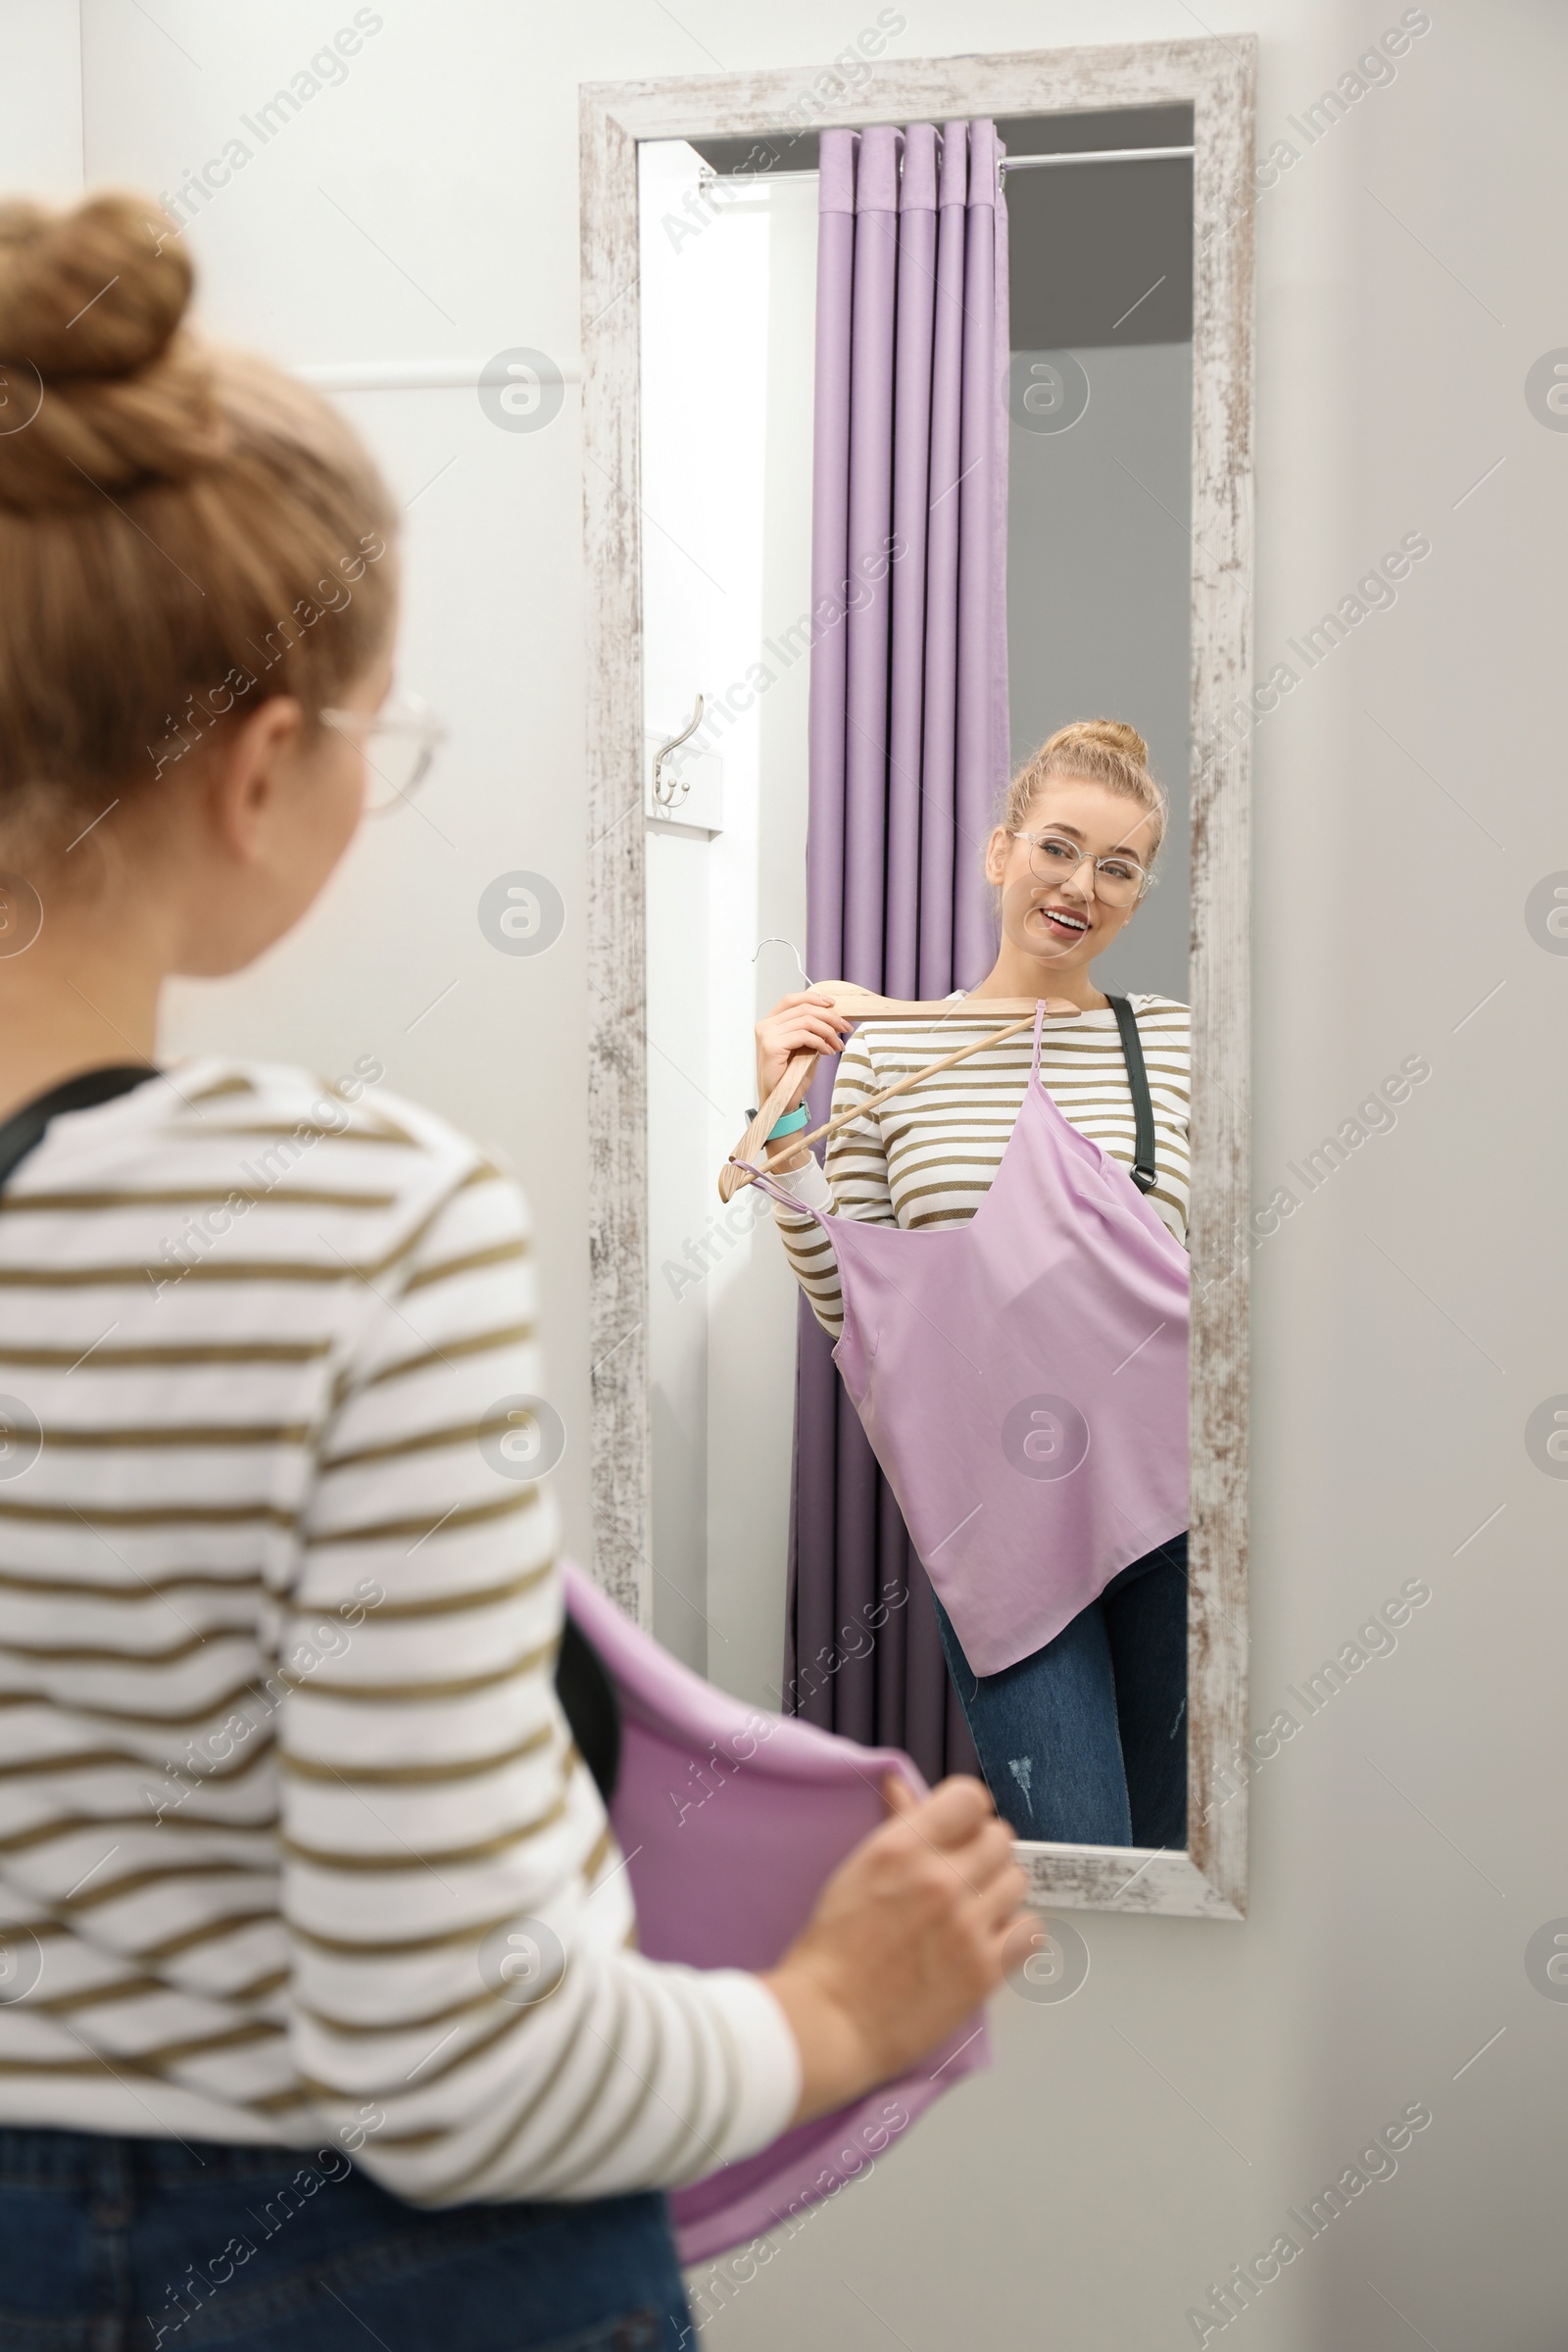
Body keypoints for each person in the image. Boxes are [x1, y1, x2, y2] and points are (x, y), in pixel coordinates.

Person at [0, 191, 1030, 2352]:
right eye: (383, 736)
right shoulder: (339, 1225)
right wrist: (839, 2010)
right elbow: (465, 2068)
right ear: (260, 764)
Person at [757, 721, 1192, 1848]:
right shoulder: (889, 1054)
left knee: (1185, 1862)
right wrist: (783, 1119)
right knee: (1075, 1858)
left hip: (1179, 1509)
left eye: (1117, 866)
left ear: (1139, 897)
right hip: (994, 1519)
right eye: (1056, 848)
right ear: (1001, 853)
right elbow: (859, 1309)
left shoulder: (1186, 1045)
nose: (1078, 886)